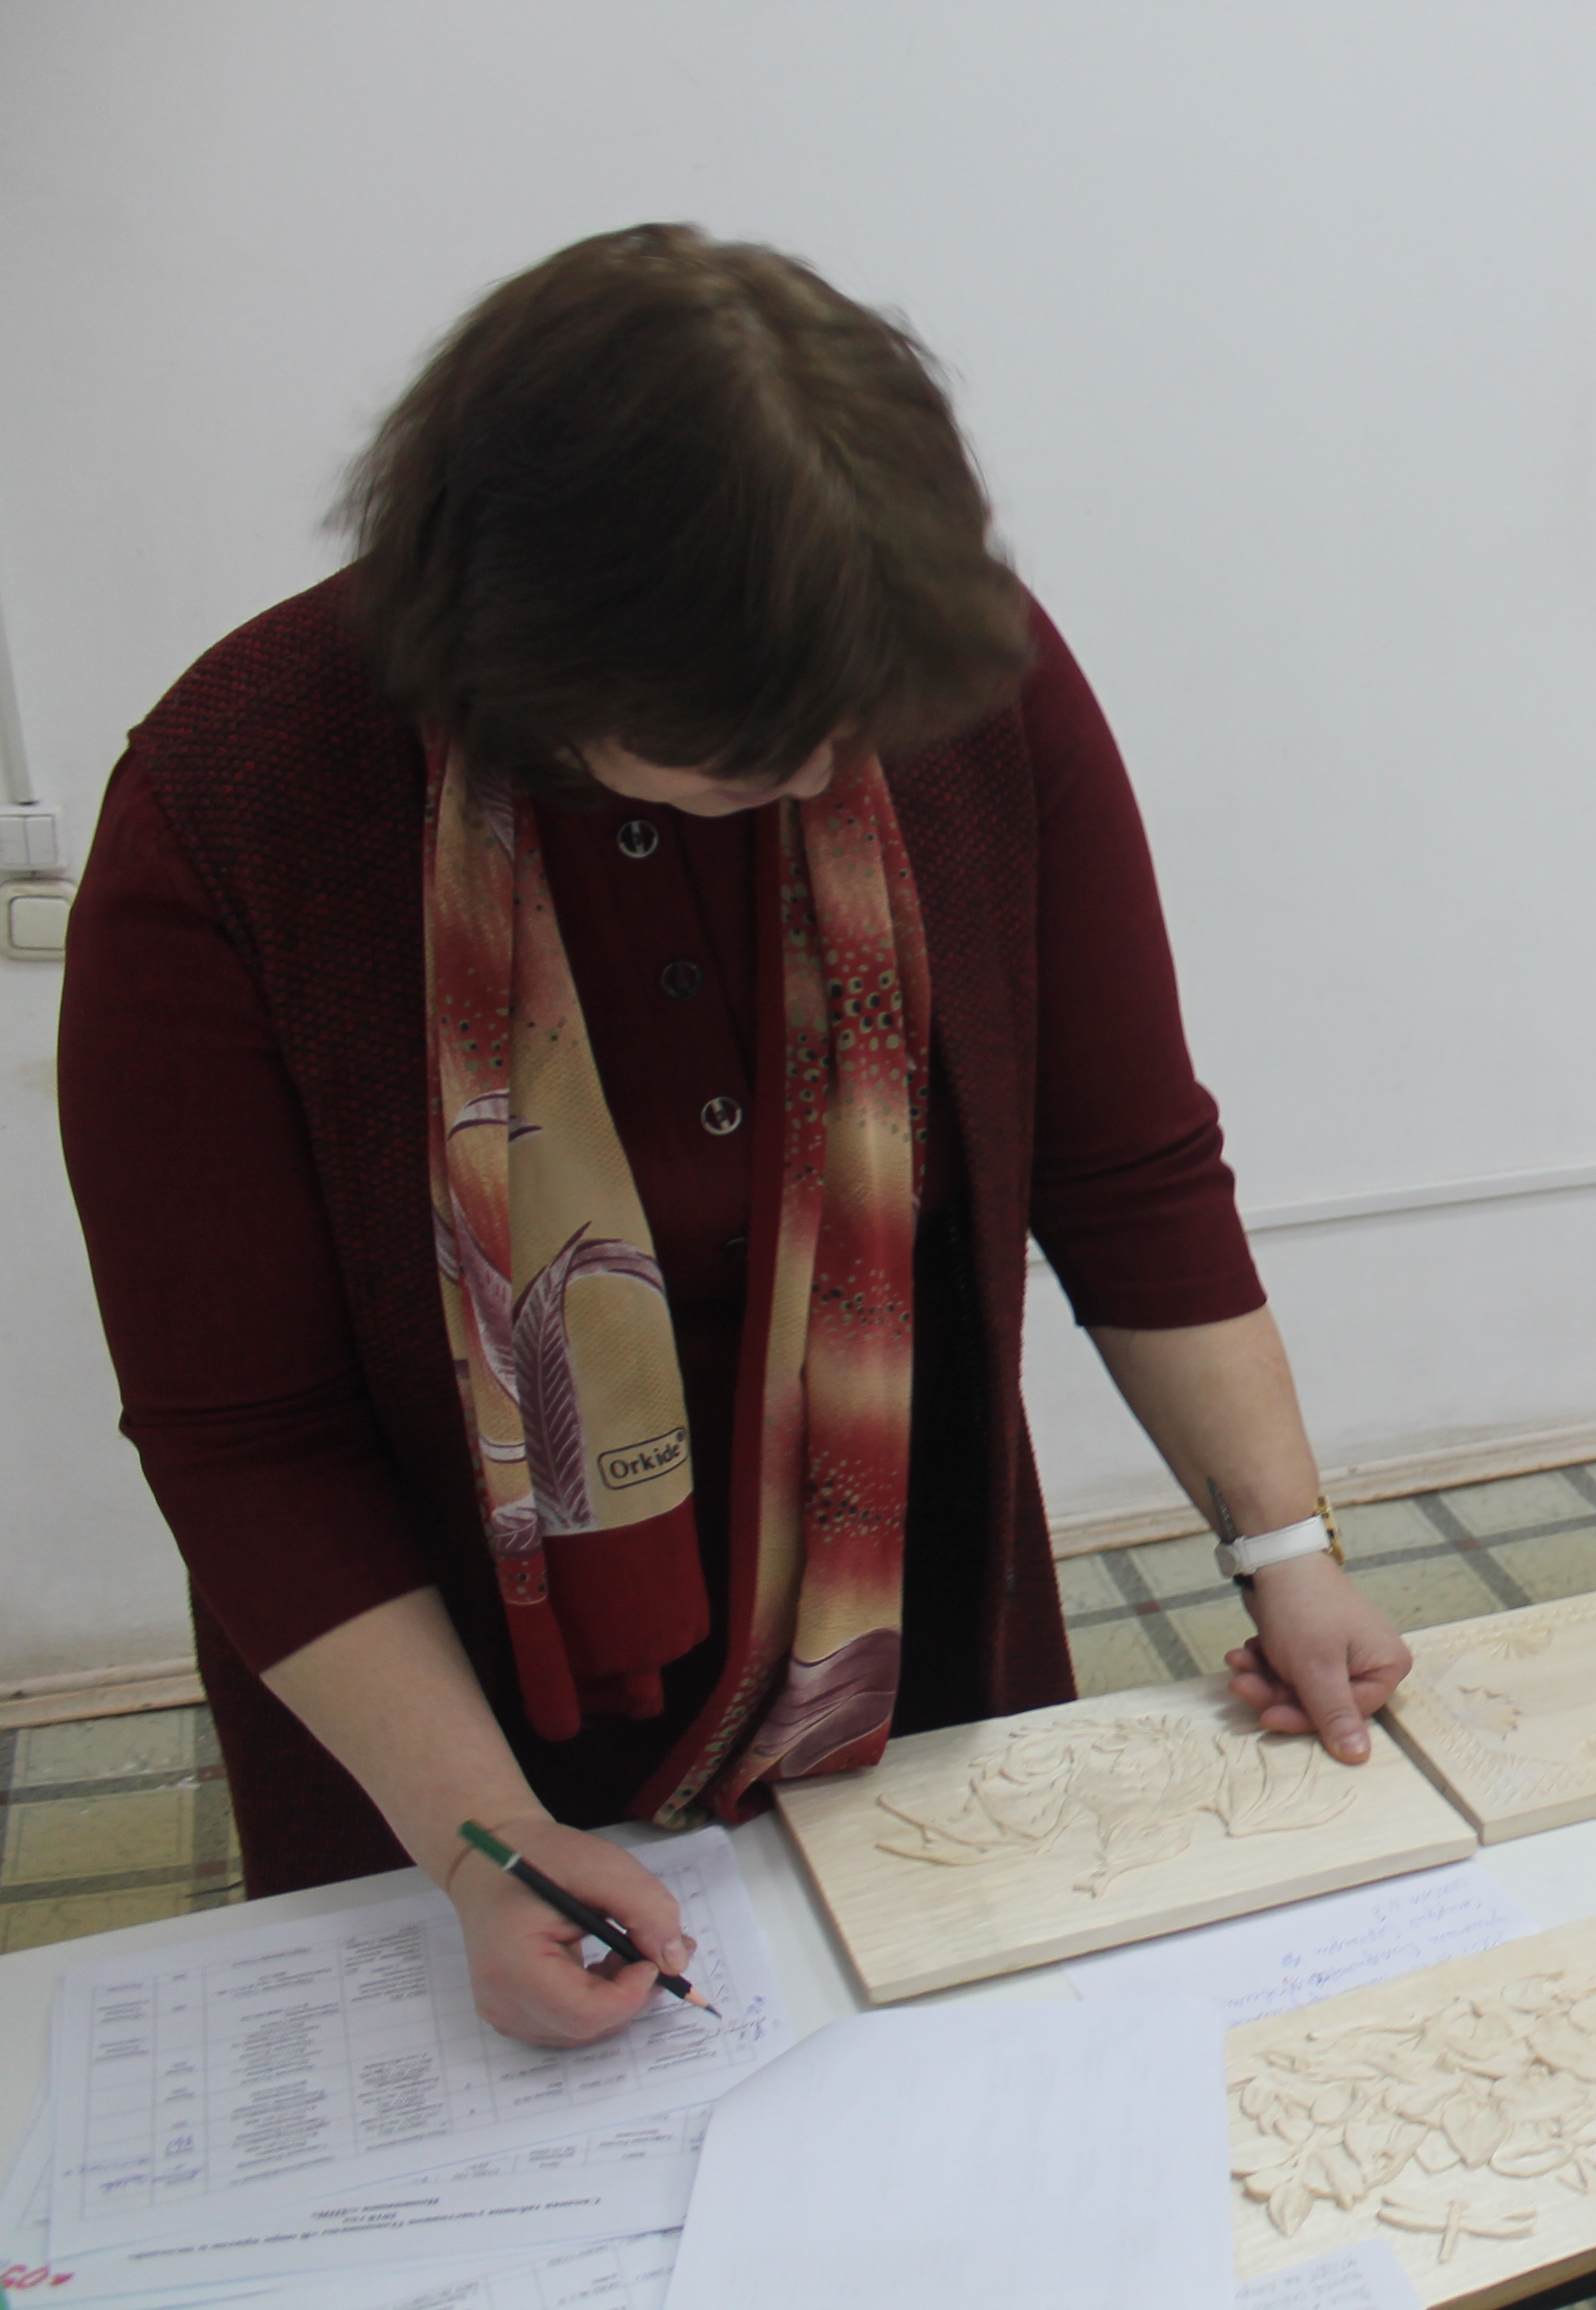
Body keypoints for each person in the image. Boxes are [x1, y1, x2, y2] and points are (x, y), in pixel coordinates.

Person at [58, 225, 1411, 2049]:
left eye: (859, 729)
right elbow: (249, 1439)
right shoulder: (241, 805)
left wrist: (1286, 1553)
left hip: (904, 1633)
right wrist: (486, 1845)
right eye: (756, 754)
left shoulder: (941, 681)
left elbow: (1129, 1167)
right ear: (536, 667)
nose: (834, 775)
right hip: (451, 1708)